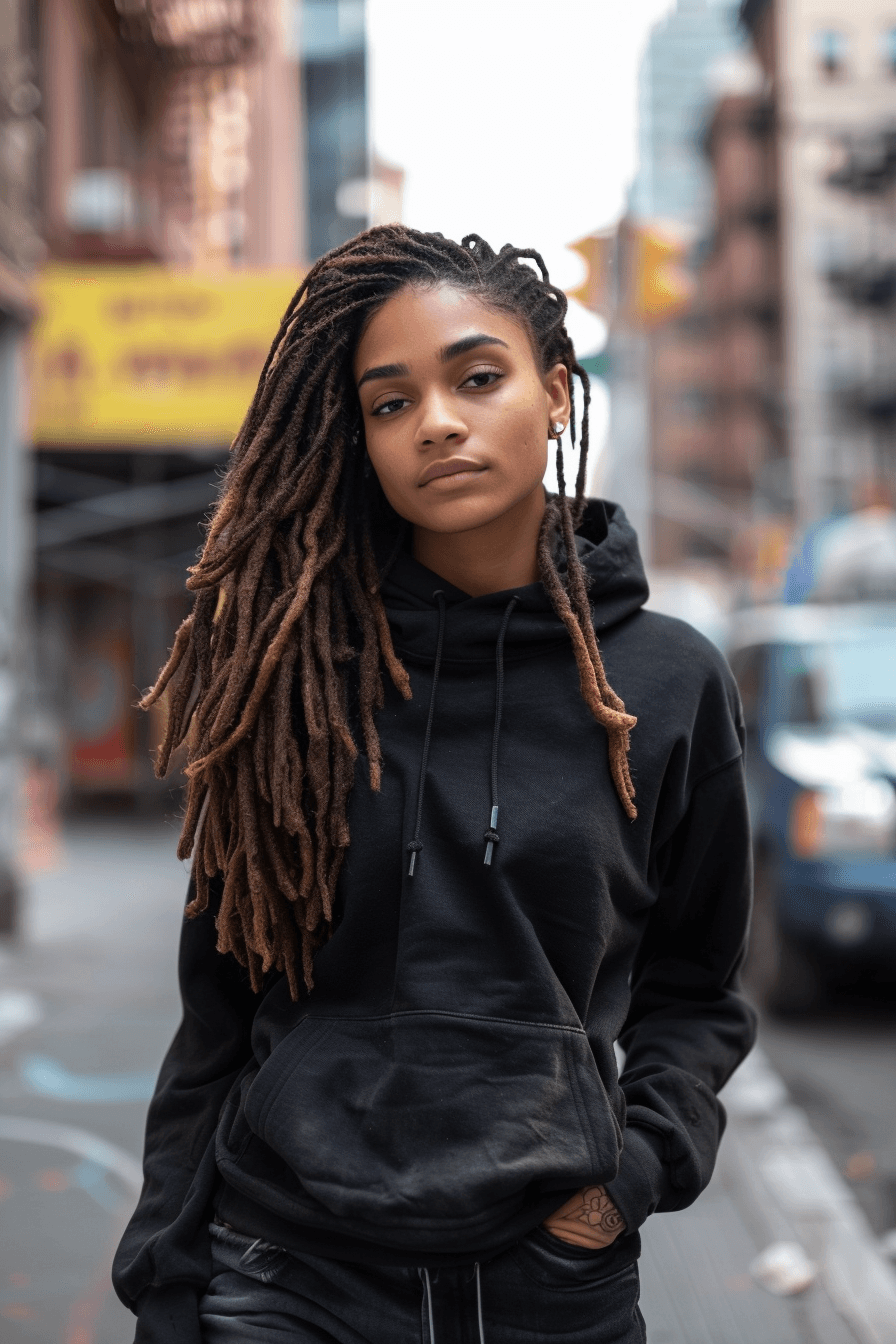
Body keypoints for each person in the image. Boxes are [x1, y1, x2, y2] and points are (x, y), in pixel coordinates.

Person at [112, 226, 756, 1343]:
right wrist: (167, 1282)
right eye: (389, 402)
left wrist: (634, 1175)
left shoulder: (664, 679)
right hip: (288, 1268)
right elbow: (216, 1015)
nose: (438, 423)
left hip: (547, 1280)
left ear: (554, 391)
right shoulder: (295, 674)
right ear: (358, 438)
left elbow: (695, 987)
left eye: (476, 377)